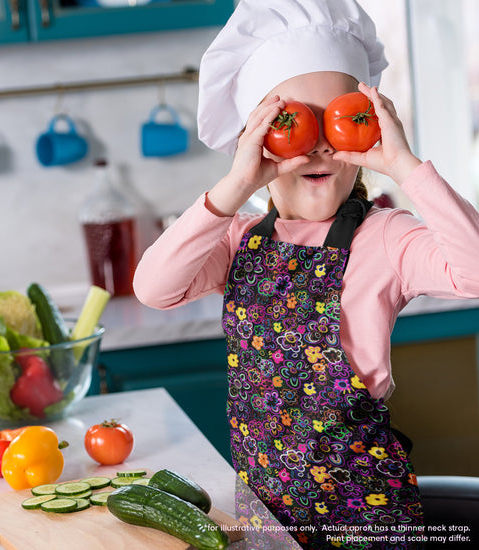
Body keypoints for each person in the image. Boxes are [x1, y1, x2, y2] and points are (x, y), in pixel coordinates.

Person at [133, 0, 479, 548]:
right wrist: (235, 186)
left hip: (367, 521)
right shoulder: (236, 236)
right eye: (294, 122)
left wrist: (405, 166)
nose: (318, 143)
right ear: (256, 138)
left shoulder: (385, 236)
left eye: (340, 121)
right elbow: (153, 288)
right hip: (266, 516)